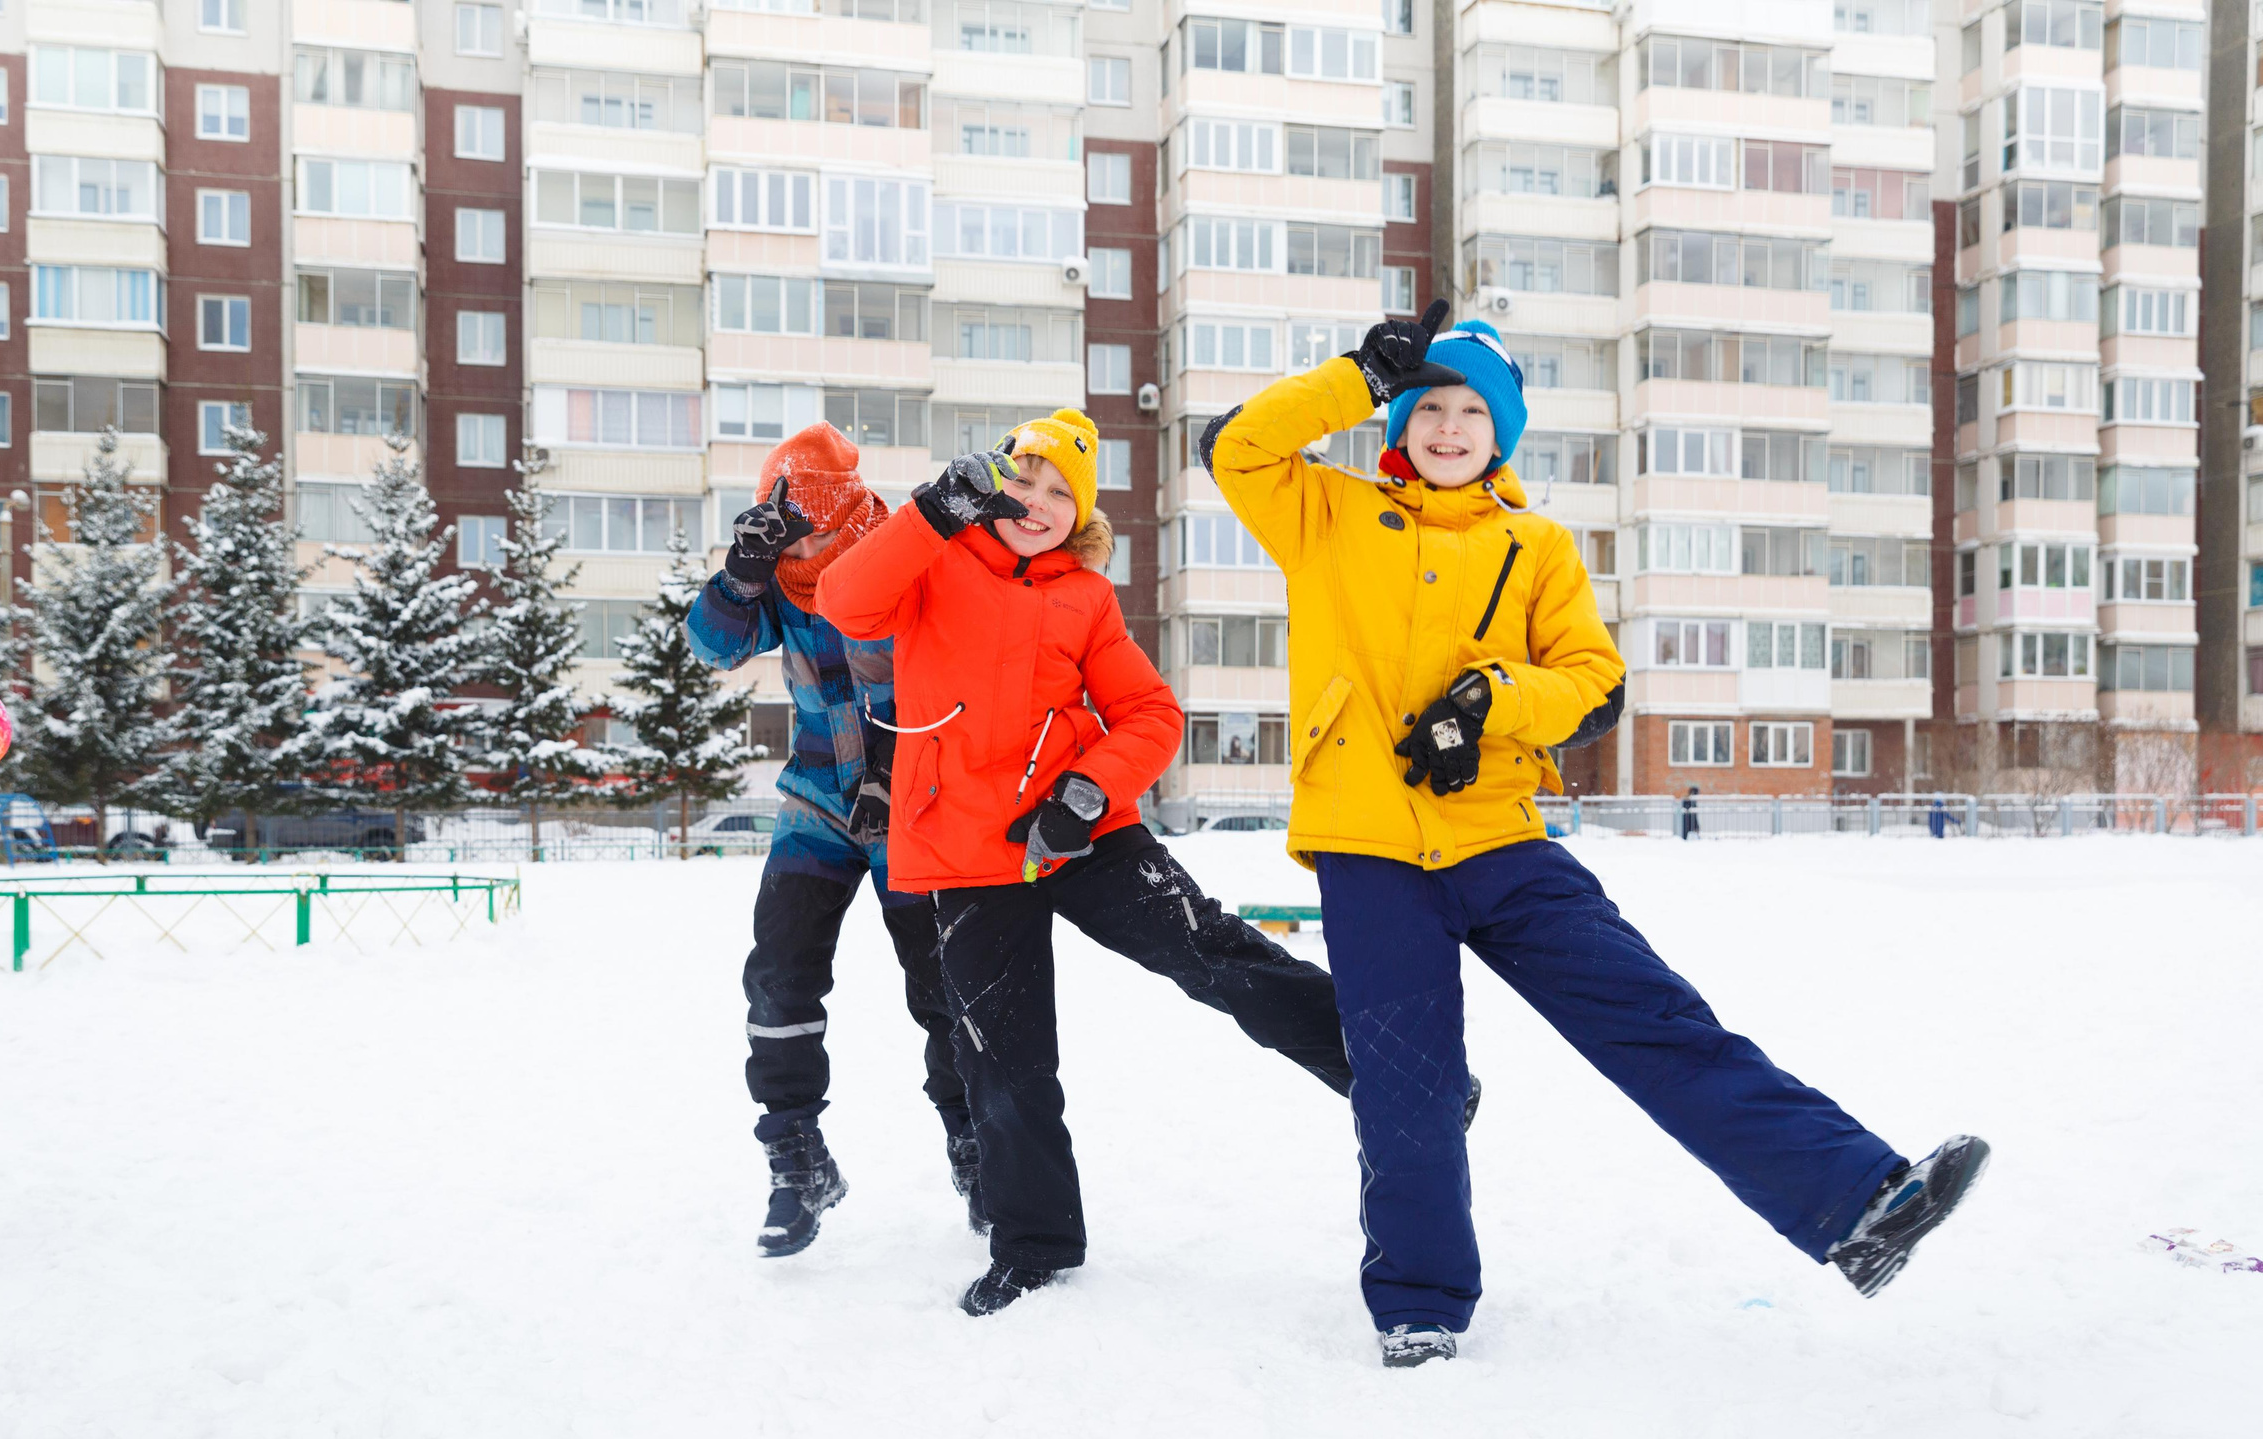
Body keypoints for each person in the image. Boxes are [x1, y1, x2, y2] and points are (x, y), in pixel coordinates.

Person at [1205, 306, 1990, 1368]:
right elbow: (1236, 445)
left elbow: (1593, 682)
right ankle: (1418, 1305)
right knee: (1406, 1086)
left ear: (1503, 432)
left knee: (1655, 1019)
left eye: (1472, 411)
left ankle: (1860, 1206)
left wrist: (1489, 701)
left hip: (1499, 840)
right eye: (1427, 405)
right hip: (1369, 849)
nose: (1447, 427)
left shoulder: (1535, 545)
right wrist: (1354, 375)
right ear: (1397, 421)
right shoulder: (1325, 515)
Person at [819, 409, 1365, 1317]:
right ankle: (1032, 1244)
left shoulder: (1086, 596)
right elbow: (842, 602)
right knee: (1003, 1056)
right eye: (1023, 480)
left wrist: (1084, 795)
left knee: (1212, 951)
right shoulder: (933, 563)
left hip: (1078, 830)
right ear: (991, 486)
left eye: (1060, 491)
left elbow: (1152, 715)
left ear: (1083, 515)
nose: (1037, 502)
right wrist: (930, 511)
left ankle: (1382, 1069)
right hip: (968, 848)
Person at [686, 423, 972, 1256]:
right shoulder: (779, 579)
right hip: (816, 798)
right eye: (784, 526)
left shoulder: (899, 553)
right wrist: (741, 573)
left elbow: (946, 668)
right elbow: (712, 646)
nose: (800, 542)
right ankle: (795, 1154)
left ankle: (973, 1142)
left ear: (843, 507)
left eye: (808, 520)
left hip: (910, 803)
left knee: (940, 984)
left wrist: (896, 765)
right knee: (779, 973)